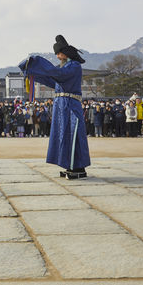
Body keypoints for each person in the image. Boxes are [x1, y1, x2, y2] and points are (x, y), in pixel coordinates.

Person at [19, 35, 90, 180]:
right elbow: (51, 78)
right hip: (61, 105)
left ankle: (78, 166)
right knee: (63, 134)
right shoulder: (63, 67)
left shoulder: (74, 66)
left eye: (59, 53)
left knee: (72, 134)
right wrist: (32, 73)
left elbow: (57, 74)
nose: (57, 56)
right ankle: (70, 165)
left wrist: (38, 62)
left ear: (66, 53)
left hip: (70, 104)